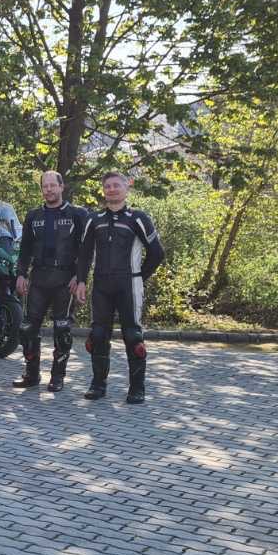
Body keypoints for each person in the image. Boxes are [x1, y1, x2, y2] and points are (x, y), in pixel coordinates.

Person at [73, 171, 164, 404]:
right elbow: (84, 254)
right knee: (97, 335)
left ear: (126, 188)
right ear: (103, 190)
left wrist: (139, 277)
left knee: (133, 336)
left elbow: (157, 253)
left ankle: (137, 388)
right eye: (108, 186)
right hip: (101, 285)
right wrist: (81, 281)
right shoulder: (93, 219)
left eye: (116, 185)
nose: (112, 189)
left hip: (129, 284)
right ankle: (98, 385)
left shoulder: (138, 218)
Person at [14, 171, 90, 392]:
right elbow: (25, 248)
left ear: (61, 186)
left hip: (65, 281)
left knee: (62, 331)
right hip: (38, 279)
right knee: (27, 329)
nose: (48, 190)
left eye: (52, 185)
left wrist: (80, 277)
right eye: (44, 186)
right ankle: (31, 374)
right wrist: (21, 274)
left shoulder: (78, 214)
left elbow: (86, 250)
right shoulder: (33, 216)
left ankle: (57, 377)